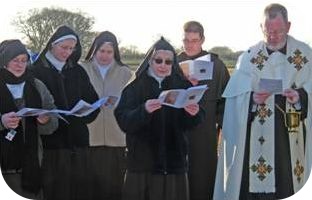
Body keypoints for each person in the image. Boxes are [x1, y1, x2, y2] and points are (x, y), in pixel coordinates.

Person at [214, 3, 312, 200]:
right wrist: (251, 100)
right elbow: (233, 102)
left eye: (278, 31)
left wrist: (300, 97)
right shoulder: (249, 58)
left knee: (288, 185)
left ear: (289, 26)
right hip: (253, 140)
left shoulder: (304, 55)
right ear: (261, 27)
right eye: (268, 32)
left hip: (288, 140)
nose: (273, 36)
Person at [114, 37, 205, 200]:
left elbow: (195, 120)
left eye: (168, 62)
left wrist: (193, 113)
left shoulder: (182, 84)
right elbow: (123, 119)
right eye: (159, 60)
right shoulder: (135, 86)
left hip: (173, 162)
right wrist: (144, 110)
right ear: (150, 61)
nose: (163, 65)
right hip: (142, 164)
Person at [31, 25, 100, 200]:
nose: (67, 52)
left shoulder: (77, 71)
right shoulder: (35, 72)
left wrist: (87, 111)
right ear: (52, 45)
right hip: (51, 145)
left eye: (71, 48)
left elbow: (93, 100)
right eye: (64, 47)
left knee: (80, 191)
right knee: (55, 191)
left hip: (78, 142)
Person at [177, 21, 230, 200]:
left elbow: (225, 100)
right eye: (186, 40)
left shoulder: (217, 65)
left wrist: (226, 128)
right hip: (177, 130)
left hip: (205, 131)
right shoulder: (172, 62)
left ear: (202, 40)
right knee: (178, 175)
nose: (189, 45)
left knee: (203, 176)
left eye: (194, 40)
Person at [0, 39, 58, 199]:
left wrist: (45, 121)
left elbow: (54, 120)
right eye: (15, 60)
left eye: (24, 60)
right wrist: (2, 121)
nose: (20, 65)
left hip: (31, 163)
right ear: (4, 61)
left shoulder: (37, 86)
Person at [80, 31, 132, 200]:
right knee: (90, 187)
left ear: (115, 52)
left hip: (117, 138)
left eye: (109, 52)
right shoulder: (82, 69)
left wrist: (118, 102)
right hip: (89, 137)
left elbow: (132, 102)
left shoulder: (126, 73)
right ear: (94, 50)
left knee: (115, 187)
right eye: (101, 51)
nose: (105, 55)